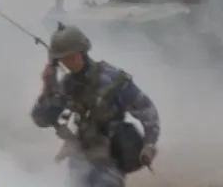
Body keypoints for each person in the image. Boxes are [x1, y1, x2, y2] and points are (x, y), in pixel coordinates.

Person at [30, 25, 160, 187]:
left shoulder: (112, 79)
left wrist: (149, 144)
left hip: (111, 158)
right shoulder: (68, 85)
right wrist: (47, 89)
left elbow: (147, 111)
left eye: (68, 57)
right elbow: (42, 120)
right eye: (61, 59)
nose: (65, 62)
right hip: (81, 157)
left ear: (80, 53)